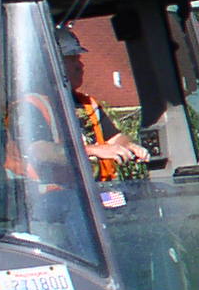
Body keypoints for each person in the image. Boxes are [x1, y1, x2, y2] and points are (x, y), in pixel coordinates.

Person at [56, 28, 146, 179]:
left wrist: (128, 145)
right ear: (53, 65)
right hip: (57, 191)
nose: (80, 65)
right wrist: (91, 150)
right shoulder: (35, 105)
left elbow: (115, 138)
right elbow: (38, 151)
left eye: (78, 58)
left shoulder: (87, 104)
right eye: (72, 59)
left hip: (96, 189)